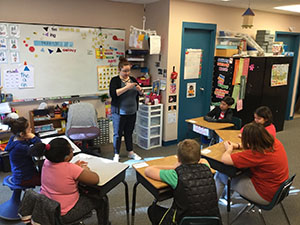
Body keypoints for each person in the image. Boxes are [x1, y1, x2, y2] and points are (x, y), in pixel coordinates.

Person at [29, 138, 109, 225]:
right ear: (67, 158)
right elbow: (95, 179)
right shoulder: (71, 169)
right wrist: (85, 170)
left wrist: (75, 168)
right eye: (72, 150)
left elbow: (62, 172)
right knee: (102, 199)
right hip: (63, 214)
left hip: (47, 206)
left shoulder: (46, 162)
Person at [145, 139, 221, 225]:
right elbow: (204, 161)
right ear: (199, 157)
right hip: (211, 221)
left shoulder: (175, 174)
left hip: (183, 222)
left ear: (178, 158)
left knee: (152, 210)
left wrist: (173, 167)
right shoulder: (206, 168)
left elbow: (149, 170)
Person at [215, 122, 289, 205]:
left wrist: (229, 149)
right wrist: (238, 146)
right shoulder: (275, 142)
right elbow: (255, 145)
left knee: (220, 175)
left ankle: (210, 208)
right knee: (237, 171)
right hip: (279, 189)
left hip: (265, 195)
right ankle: (226, 196)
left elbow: (225, 159)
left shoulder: (257, 154)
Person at [109, 56, 144, 162]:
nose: (127, 73)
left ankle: (130, 152)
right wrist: (127, 87)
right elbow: (114, 94)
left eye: (128, 70)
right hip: (119, 112)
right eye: (125, 71)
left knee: (129, 132)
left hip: (132, 111)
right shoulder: (115, 80)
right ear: (119, 70)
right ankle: (116, 154)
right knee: (118, 134)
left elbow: (140, 94)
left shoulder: (133, 79)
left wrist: (140, 90)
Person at [3, 116, 41, 187]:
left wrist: (30, 138)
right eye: (29, 129)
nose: (31, 129)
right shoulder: (20, 147)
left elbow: (28, 143)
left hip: (19, 175)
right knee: (47, 179)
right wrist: (34, 137)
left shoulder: (14, 138)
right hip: (24, 178)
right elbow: (39, 149)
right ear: (22, 134)